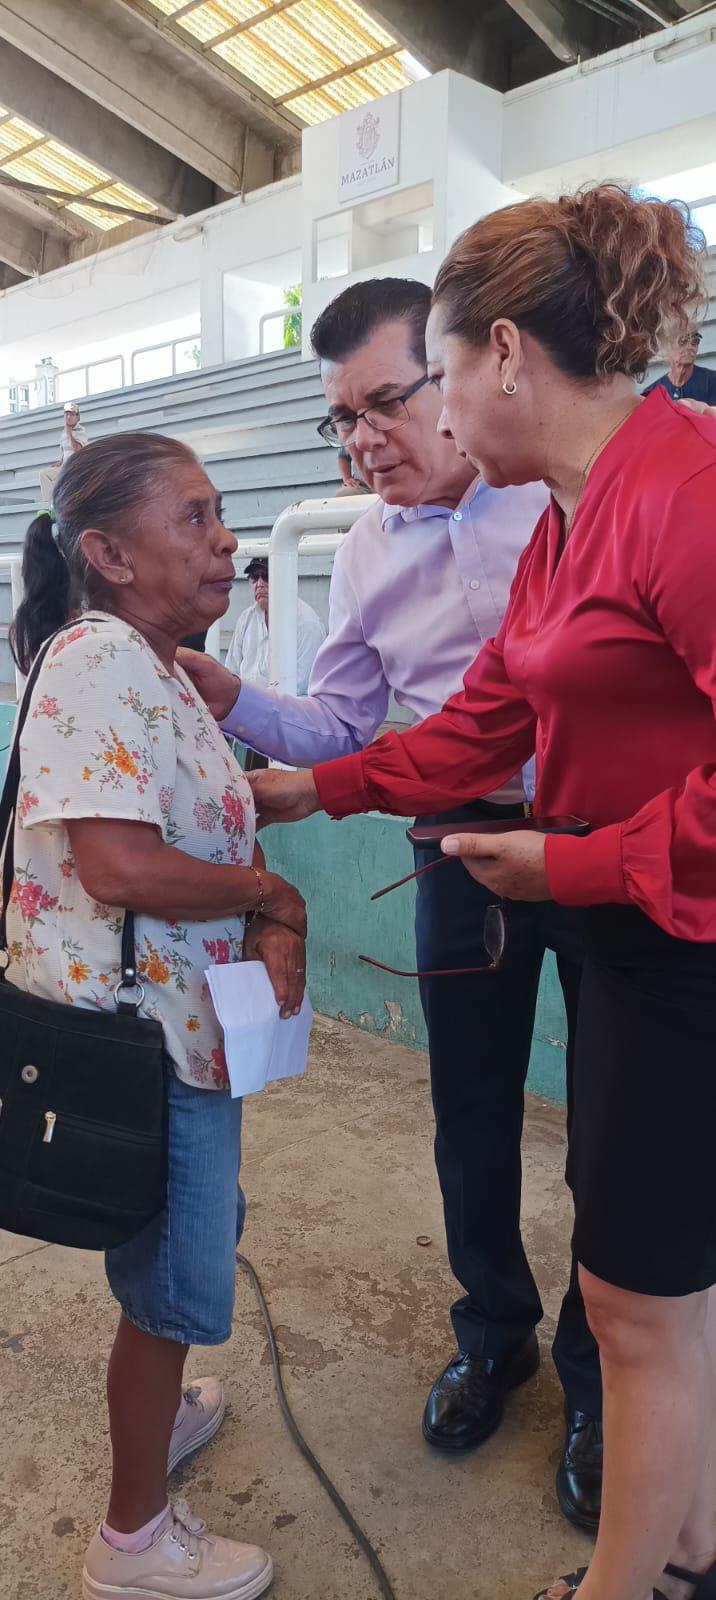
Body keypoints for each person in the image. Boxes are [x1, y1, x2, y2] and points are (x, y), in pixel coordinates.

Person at [245, 187, 716, 1600]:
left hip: (678, 936)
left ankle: (619, 1585)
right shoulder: (580, 512)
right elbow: (487, 718)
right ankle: (690, 1546)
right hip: (633, 922)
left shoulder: (682, 491)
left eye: (439, 375)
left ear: (504, 354)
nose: (435, 414)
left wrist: (567, 862)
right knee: (662, 1289)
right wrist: (306, 790)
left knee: (636, 1302)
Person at [178, 277, 603, 1530]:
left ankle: (596, 1371)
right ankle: (495, 1335)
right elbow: (343, 722)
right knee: (468, 1109)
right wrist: (231, 696)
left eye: (384, 402)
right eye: (339, 420)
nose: (363, 439)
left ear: (471, 371)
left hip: (596, 838)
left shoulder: (562, 497)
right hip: (456, 841)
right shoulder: (365, 546)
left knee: (612, 1128)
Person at [8, 433, 308, 1600]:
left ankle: (156, 1409)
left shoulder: (155, 663)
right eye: (193, 517)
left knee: (167, 1247)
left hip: (178, 1027)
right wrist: (269, 894)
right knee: (173, 1277)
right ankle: (132, 1541)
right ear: (109, 553)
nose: (225, 537)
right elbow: (122, 864)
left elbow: (175, 827)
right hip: (147, 1044)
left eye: (220, 512)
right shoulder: (101, 662)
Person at [224, 556, 326, 772]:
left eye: (266, 576)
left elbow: (303, 685)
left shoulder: (306, 622)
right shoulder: (247, 618)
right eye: (254, 577)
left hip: (290, 723)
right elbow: (231, 668)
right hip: (246, 722)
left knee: (282, 792)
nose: (259, 583)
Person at [643, 324, 716, 403]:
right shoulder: (652, 393)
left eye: (695, 341)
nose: (690, 347)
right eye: (683, 341)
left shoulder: (712, 381)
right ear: (667, 347)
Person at [38, 400, 88, 506]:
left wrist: (70, 433)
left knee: (62, 482)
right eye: (67, 414)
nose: (69, 417)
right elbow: (66, 451)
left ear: (77, 417)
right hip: (64, 466)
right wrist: (59, 462)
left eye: (72, 414)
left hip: (75, 466)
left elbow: (78, 450)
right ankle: (49, 505)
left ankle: (58, 503)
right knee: (44, 473)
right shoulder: (63, 433)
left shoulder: (81, 430)